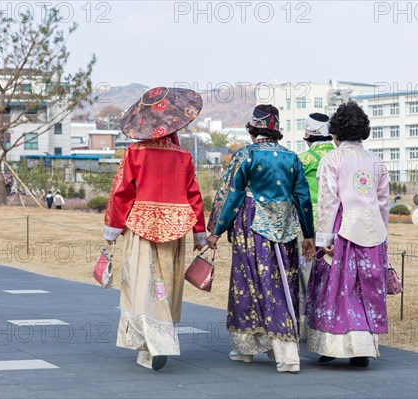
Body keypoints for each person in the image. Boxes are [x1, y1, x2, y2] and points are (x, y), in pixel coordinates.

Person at [206, 104, 315, 373]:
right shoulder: (292, 158)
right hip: (285, 228)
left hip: (251, 226)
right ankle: (279, 349)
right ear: (276, 129)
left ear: (253, 128)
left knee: (248, 281)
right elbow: (304, 199)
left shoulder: (246, 155)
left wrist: (215, 229)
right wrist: (309, 234)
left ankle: (252, 349)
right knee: (283, 283)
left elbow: (231, 195)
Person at [103, 87, 206, 371]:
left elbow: (121, 193)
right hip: (175, 227)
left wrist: (112, 229)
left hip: (141, 226)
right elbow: (193, 195)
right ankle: (160, 336)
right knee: (166, 283)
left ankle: (148, 342)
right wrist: (200, 233)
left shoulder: (134, 153)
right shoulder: (183, 157)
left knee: (141, 283)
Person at [307, 101, 390, 368]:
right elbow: (383, 204)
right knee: (367, 290)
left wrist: (324, 239)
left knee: (339, 290)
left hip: (342, 230)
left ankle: (333, 346)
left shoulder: (332, 159)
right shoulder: (377, 163)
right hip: (373, 232)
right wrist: (383, 235)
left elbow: (328, 202)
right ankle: (363, 349)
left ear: (335, 132)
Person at [296, 113, 334, 337]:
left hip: (308, 223)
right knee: (332, 273)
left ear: (308, 133)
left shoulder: (303, 159)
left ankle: (307, 327)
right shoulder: (340, 156)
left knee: (306, 273)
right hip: (338, 222)